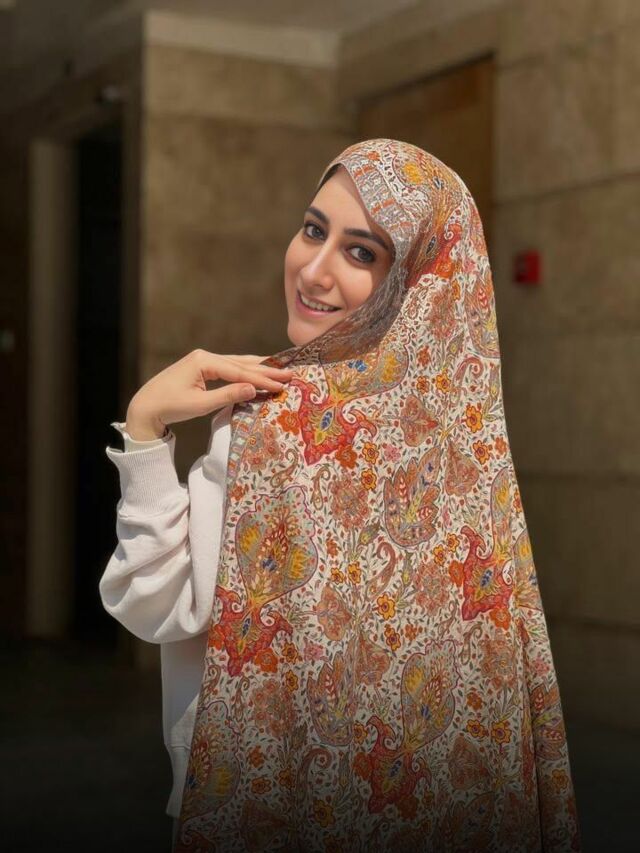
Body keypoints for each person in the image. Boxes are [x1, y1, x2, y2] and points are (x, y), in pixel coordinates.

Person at [101, 139, 580, 852]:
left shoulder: (271, 424)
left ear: (415, 281)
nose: (314, 270)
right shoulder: (468, 441)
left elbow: (153, 600)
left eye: (361, 252)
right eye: (313, 229)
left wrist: (144, 427)